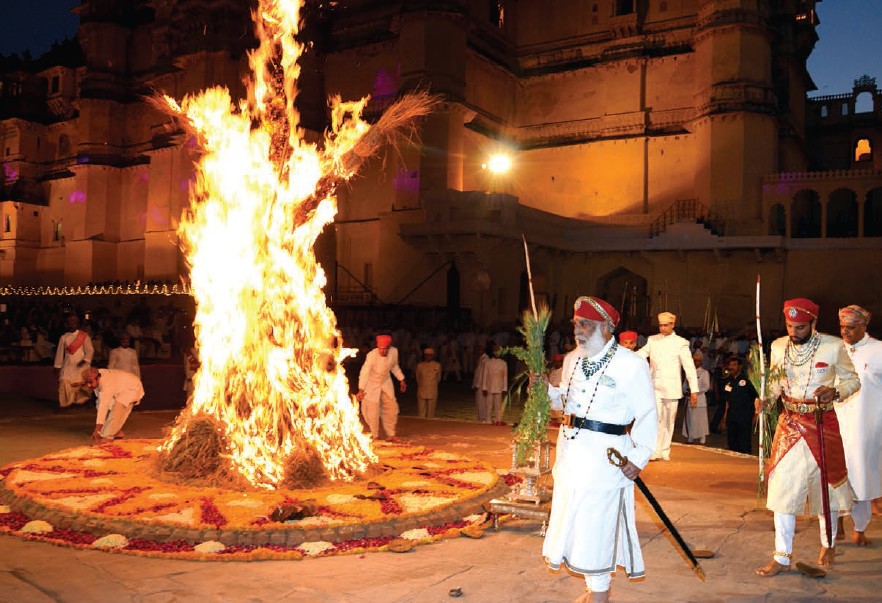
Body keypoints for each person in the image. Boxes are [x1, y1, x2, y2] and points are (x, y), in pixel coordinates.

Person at [543, 296, 657, 603]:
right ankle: (594, 587)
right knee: (575, 522)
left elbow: (647, 413)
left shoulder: (630, 364)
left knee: (598, 524)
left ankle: (601, 593)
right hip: (571, 456)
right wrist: (546, 392)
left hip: (606, 459)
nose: (578, 331)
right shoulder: (572, 359)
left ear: (607, 327)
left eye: (586, 325)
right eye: (576, 324)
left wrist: (638, 456)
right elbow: (563, 405)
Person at [756, 298, 861, 576]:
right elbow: (776, 382)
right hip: (789, 424)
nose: (794, 332)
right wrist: (765, 399)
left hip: (821, 422)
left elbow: (853, 380)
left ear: (813, 323)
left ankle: (828, 543)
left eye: (800, 327)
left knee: (826, 489)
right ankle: (781, 556)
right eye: (790, 326)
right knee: (782, 491)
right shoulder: (779, 346)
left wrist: (835, 392)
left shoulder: (833, 345)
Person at [836, 305, 882, 546]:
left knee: (862, 478)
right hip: (836, 424)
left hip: (866, 426)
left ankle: (860, 528)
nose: (845, 332)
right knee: (834, 476)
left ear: (864, 327)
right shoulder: (835, 349)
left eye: (851, 328)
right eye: (842, 327)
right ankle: (837, 524)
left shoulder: (878, 350)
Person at [636, 312, 699, 460]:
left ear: (672, 325)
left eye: (666, 325)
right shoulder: (652, 340)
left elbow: (689, 367)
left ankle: (665, 449)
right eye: (660, 325)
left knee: (668, 421)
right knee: (655, 418)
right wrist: (624, 354)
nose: (663, 328)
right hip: (654, 386)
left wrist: (694, 390)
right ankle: (655, 449)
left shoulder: (681, 342)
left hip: (672, 387)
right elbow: (641, 354)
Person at [356, 333, 406, 441]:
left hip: (385, 382)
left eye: (385, 349)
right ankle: (375, 435)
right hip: (371, 384)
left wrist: (401, 379)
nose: (383, 351)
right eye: (381, 349)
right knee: (372, 411)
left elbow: (394, 366)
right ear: (377, 347)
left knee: (391, 407)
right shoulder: (371, 355)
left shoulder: (394, 352)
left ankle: (391, 434)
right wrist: (361, 389)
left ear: (389, 347)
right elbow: (364, 372)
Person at [82, 367, 145, 443]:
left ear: (98, 378)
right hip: (119, 390)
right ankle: (116, 431)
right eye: (87, 383)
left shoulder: (106, 383)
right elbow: (102, 403)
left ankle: (109, 436)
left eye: (90, 382)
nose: (88, 386)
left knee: (118, 409)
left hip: (132, 387)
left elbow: (103, 407)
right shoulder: (97, 375)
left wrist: (97, 430)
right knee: (99, 404)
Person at [718, 355, 759, 453]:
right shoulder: (728, 381)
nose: (731, 367)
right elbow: (727, 402)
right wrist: (724, 418)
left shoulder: (748, 380)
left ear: (739, 366)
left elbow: (757, 397)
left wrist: (756, 416)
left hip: (745, 417)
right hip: (732, 417)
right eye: (730, 365)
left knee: (744, 444)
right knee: (732, 444)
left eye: (734, 365)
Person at [53, 313, 94, 410]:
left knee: (82, 384)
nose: (72, 323)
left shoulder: (84, 336)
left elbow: (90, 350)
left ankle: (84, 401)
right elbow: (59, 353)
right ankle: (64, 404)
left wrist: (85, 360)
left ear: (77, 323)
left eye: (74, 321)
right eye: (70, 321)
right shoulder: (64, 337)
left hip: (81, 364)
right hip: (68, 364)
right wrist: (57, 366)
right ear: (67, 324)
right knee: (64, 381)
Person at [682, 350, 711, 444]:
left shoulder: (704, 372)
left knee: (701, 420)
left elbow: (706, 387)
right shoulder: (689, 372)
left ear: (701, 361)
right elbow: (684, 385)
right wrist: (686, 392)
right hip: (689, 400)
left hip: (700, 400)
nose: (695, 362)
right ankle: (691, 437)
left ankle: (702, 437)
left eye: (697, 361)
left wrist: (694, 392)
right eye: (694, 360)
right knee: (690, 419)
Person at [480, 344, 508, 426]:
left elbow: (505, 376)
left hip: (499, 386)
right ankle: (488, 419)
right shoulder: (487, 363)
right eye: (495, 351)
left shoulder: (503, 363)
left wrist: (505, 388)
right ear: (492, 352)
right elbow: (485, 375)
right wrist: (484, 387)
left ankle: (498, 419)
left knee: (498, 404)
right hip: (489, 386)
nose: (497, 353)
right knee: (488, 404)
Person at [414, 347, 442, 419]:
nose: (428, 357)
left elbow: (438, 378)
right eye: (426, 355)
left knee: (431, 413)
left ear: (432, 356)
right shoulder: (419, 365)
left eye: (430, 355)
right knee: (421, 413)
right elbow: (418, 378)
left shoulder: (437, 365)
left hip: (432, 390)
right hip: (422, 389)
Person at [472, 343, 492, 423]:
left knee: (482, 402)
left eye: (479, 349)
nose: (477, 350)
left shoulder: (485, 359)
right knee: (479, 402)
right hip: (479, 383)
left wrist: (477, 384)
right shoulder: (481, 358)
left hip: (481, 384)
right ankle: (481, 418)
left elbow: (482, 373)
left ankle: (483, 418)